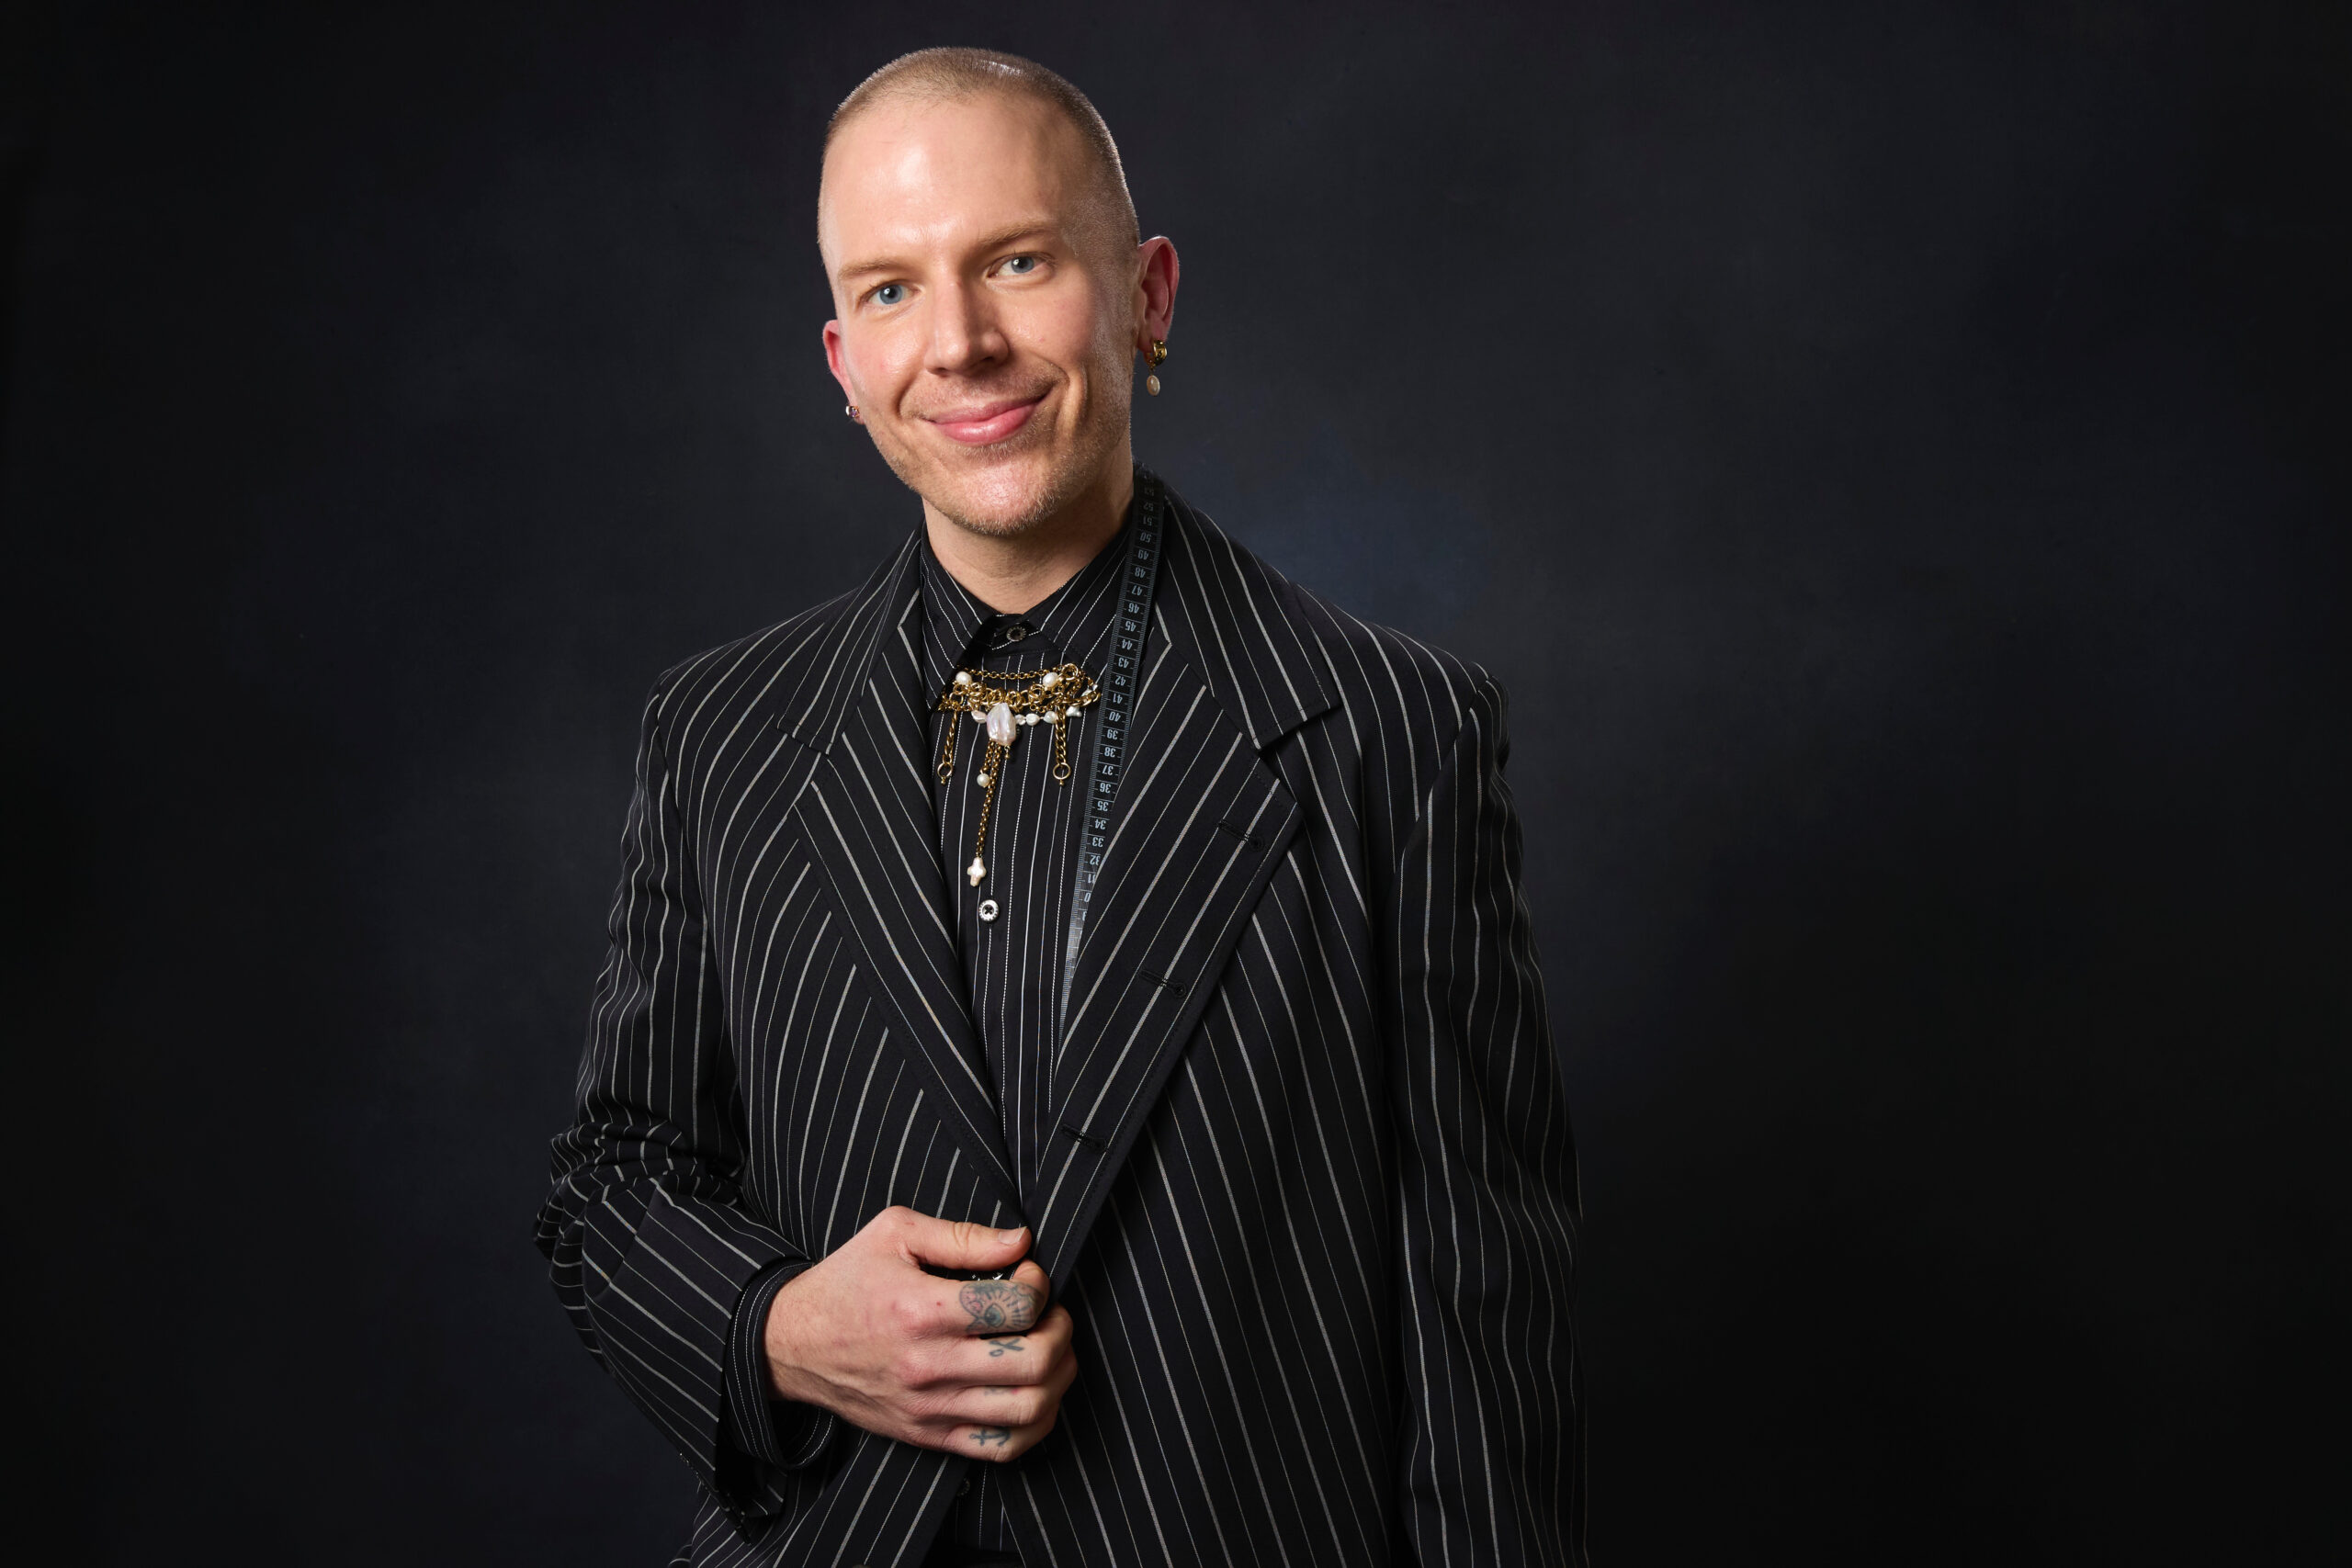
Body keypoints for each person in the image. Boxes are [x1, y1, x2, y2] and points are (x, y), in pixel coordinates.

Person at [536, 46, 1586, 1568]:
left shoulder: (1394, 734)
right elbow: (613, 1183)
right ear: (843, 362)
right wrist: (777, 1325)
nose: (958, 343)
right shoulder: (717, 737)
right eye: (890, 290)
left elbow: (1482, 1335)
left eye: (1017, 262)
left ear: (1148, 296)